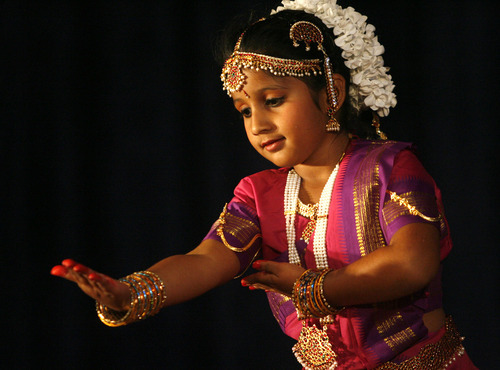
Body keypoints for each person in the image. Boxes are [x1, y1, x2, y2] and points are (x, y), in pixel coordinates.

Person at [51, 1, 477, 368]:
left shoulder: (391, 167)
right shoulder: (258, 195)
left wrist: (311, 286)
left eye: (273, 101)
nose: (258, 124)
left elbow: (412, 264)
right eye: (243, 110)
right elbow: (203, 261)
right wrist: (132, 293)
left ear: (332, 94)